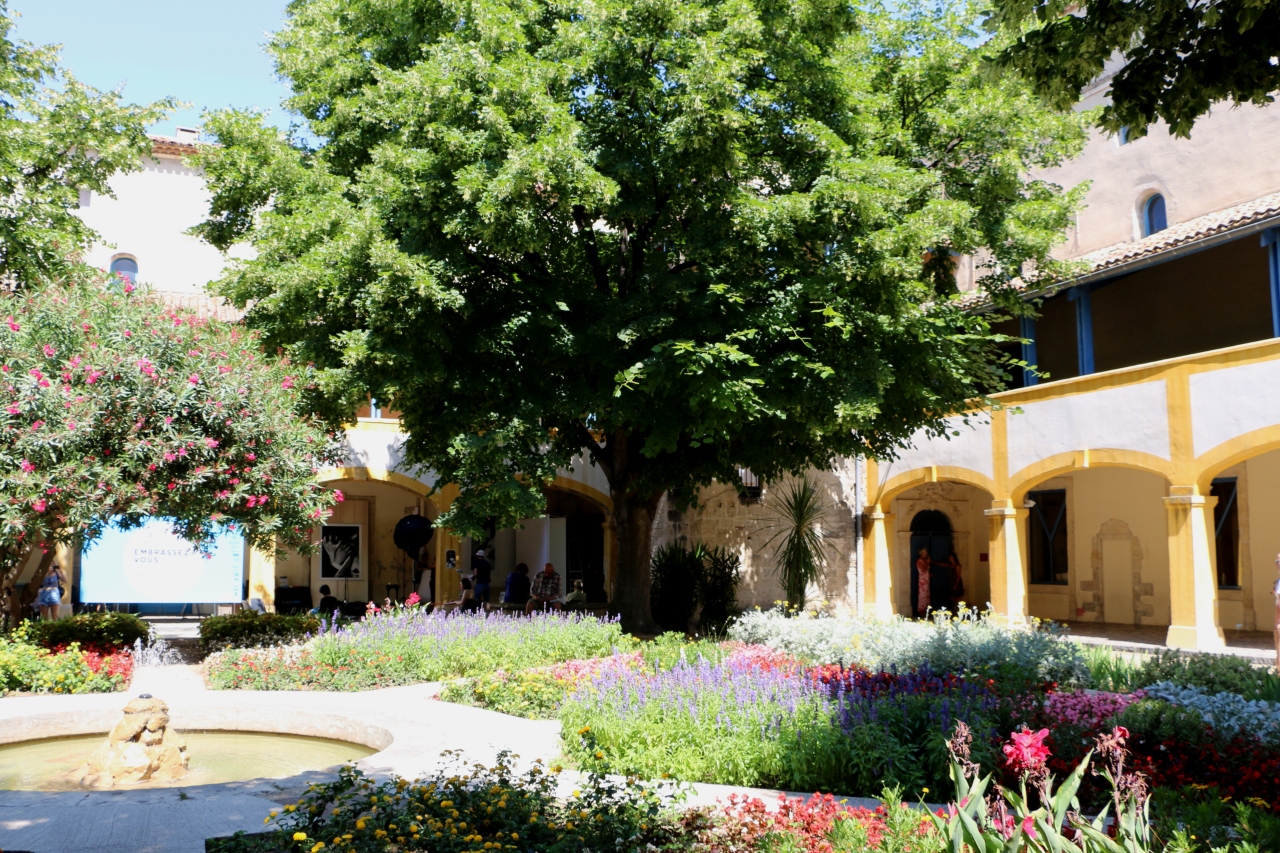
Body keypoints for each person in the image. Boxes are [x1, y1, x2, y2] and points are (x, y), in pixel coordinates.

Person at [915, 548, 931, 619]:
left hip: (926, 581)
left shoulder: (924, 560)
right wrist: (928, 563)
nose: (927, 553)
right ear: (922, 553)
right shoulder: (919, 561)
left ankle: (926, 611)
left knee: (926, 595)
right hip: (922, 582)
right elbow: (923, 570)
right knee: (922, 596)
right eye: (925, 552)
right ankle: (921, 611)